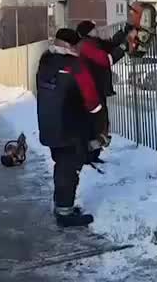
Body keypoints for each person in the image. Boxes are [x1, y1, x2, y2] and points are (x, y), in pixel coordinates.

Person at [36, 28, 107, 227]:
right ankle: (65, 214)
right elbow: (92, 101)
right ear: (71, 45)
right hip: (71, 128)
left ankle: (61, 205)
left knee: (61, 167)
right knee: (69, 171)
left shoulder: (45, 61)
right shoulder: (74, 65)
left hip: (49, 125)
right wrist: (99, 123)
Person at [76, 21, 134, 163]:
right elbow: (106, 59)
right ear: (88, 32)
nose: (97, 30)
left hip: (96, 88)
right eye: (94, 28)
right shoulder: (85, 46)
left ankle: (93, 154)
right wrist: (124, 47)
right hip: (91, 90)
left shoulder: (93, 43)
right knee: (96, 124)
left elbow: (110, 45)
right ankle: (88, 155)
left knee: (99, 123)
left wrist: (124, 33)